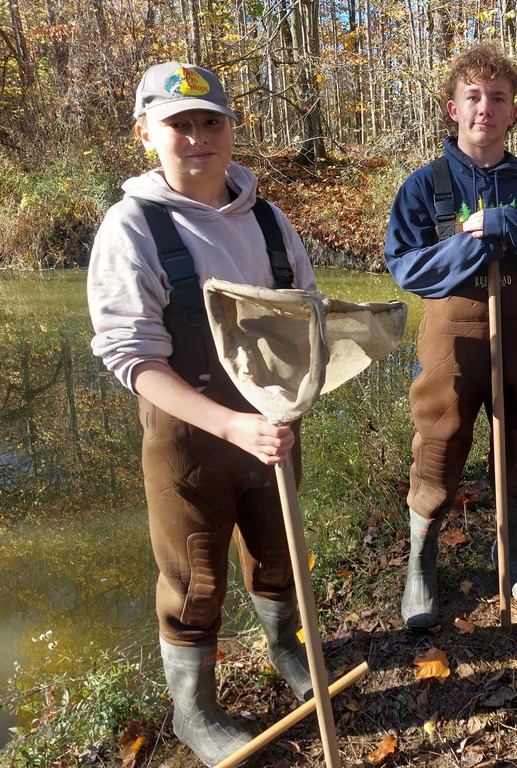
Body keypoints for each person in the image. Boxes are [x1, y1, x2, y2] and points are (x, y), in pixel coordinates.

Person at [87, 62, 318, 766]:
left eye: (209, 121)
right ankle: (195, 711)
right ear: (145, 135)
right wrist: (227, 424)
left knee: (279, 555)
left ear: (230, 127)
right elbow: (132, 359)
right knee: (194, 583)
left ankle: (289, 651)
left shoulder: (271, 220)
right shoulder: (130, 228)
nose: (196, 138)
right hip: (188, 443)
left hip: (274, 431)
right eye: (177, 125)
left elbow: (308, 317)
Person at [384, 43, 517, 629]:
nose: (485, 109)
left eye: (498, 98)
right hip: (451, 341)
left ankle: (513, 555)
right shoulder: (424, 186)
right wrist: (469, 243)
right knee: (439, 442)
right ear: (452, 108)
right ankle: (422, 564)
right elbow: (406, 267)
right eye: (474, 97)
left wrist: (510, 224)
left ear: (514, 113)